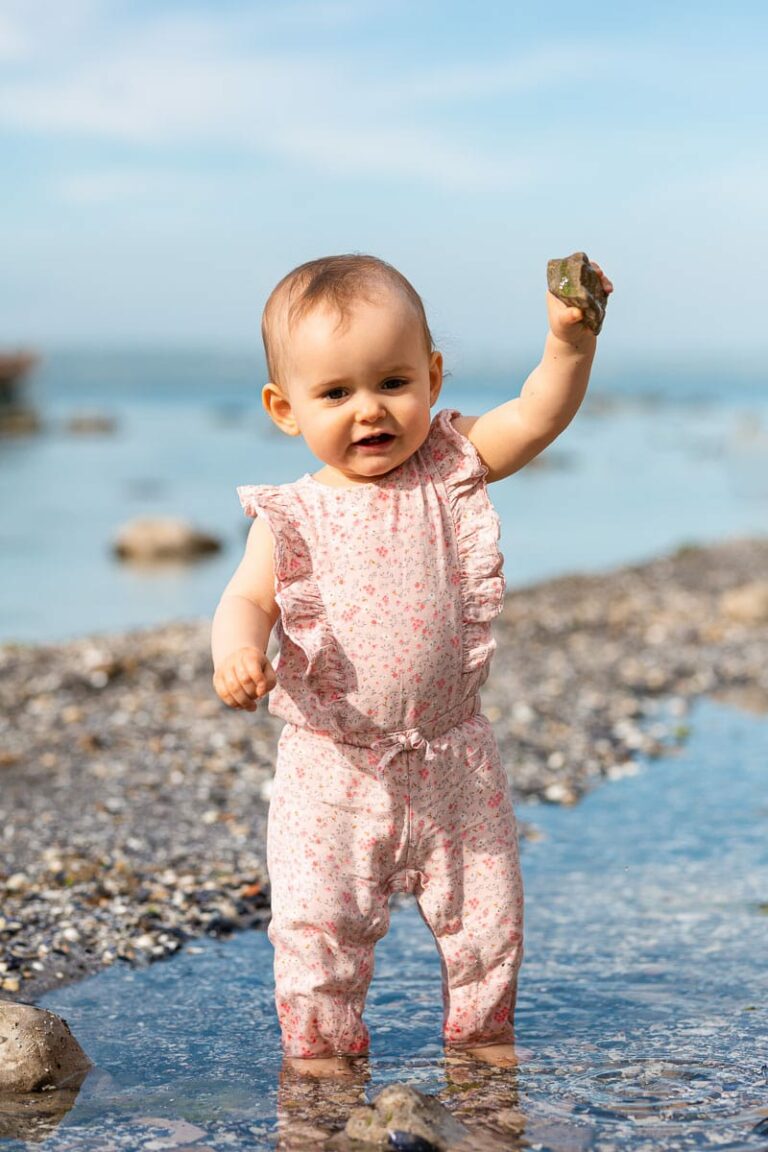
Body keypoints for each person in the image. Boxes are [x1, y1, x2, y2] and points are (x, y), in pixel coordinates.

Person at [211, 253, 613, 1075]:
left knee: (488, 922)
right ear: (285, 409)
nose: (371, 411)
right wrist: (237, 651)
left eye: (394, 383)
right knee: (316, 930)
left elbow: (536, 415)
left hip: (453, 755)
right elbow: (246, 600)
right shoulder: (291, 515)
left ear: (431, 377)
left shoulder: (452, 467)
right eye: (336, 394)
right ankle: (320, 1075)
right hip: (333, 766)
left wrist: (568, 343)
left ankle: (483, 1055)